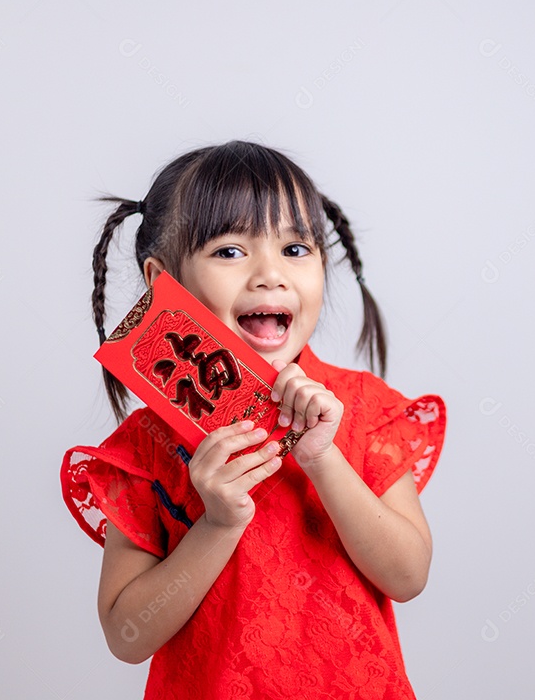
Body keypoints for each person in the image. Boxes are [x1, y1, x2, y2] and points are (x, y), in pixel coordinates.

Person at [59, 140, 447, 699]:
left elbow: (407, 576)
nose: (270, 274)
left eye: (295, 249)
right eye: (229, 251)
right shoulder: (148, 447)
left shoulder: (362, 408)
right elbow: (127, 635)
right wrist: (217, 525)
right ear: (162, 280)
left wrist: (323, 460)